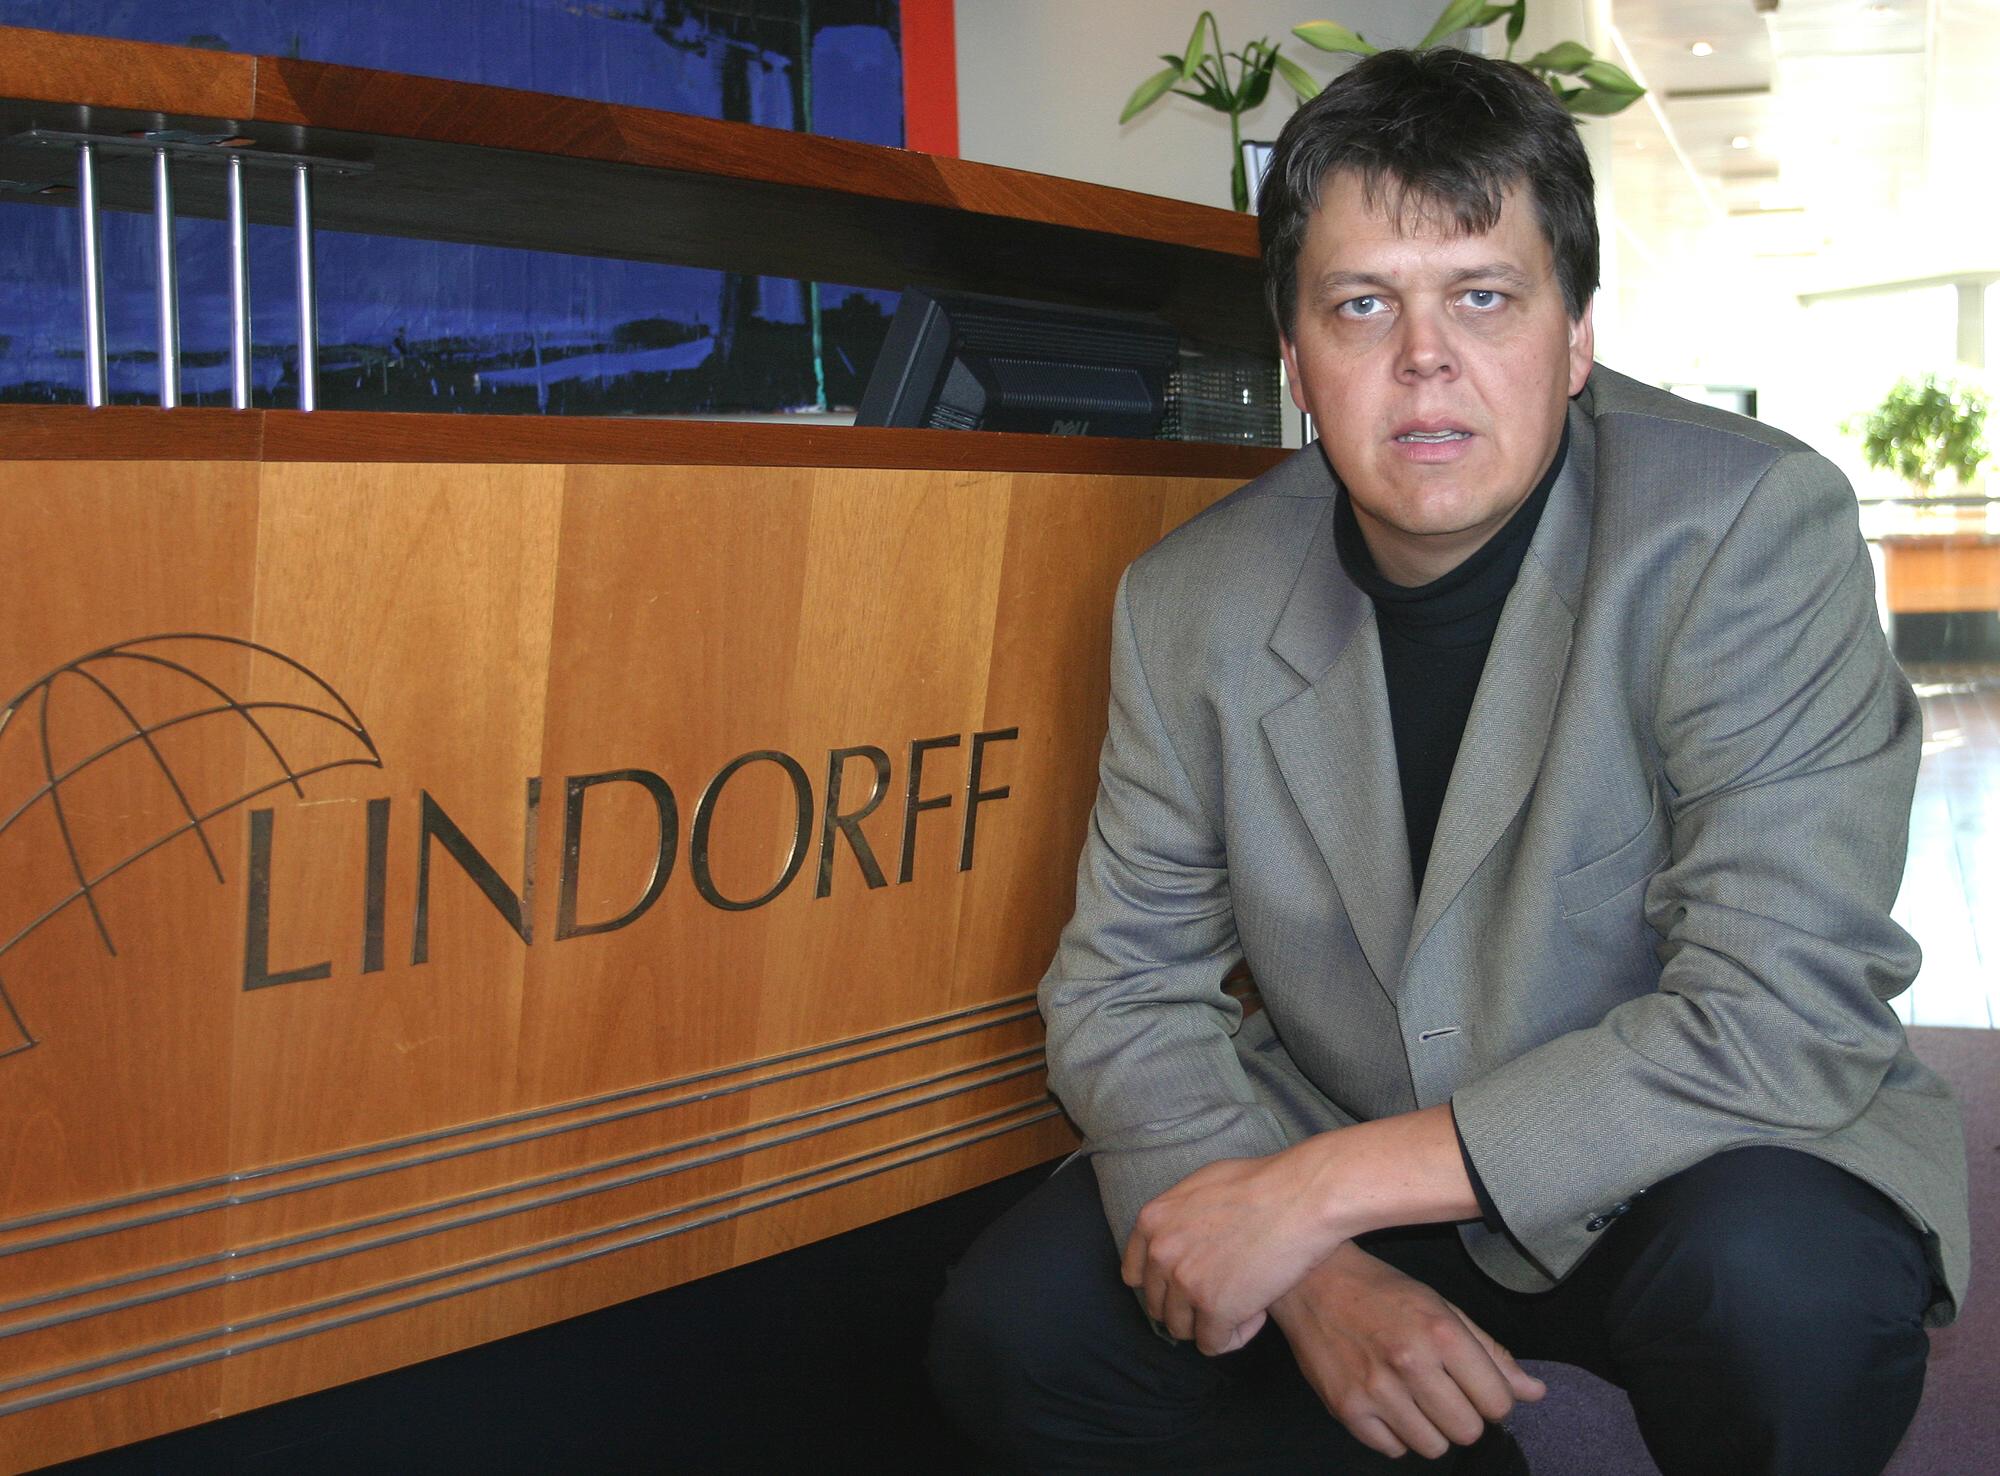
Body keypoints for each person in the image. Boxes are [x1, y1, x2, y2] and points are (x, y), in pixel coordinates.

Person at [928, 46, 1969, 1476]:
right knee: (1020, 1330)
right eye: (1362, 305)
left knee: (1784, 1297)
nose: (1424, 359)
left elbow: (1780, 1008)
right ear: (1294, 359)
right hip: (1350, 1126)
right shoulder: (1193, 602)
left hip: (1684, 1153)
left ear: (1575, 335)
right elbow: (1123, 988)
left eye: (1484, 296)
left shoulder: (1745, 530)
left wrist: (1311, 1196)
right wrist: (1314, 1272)